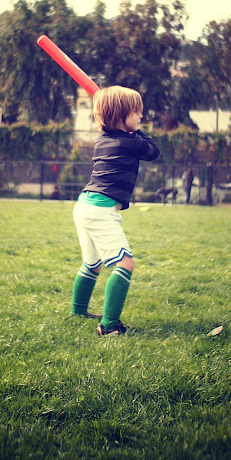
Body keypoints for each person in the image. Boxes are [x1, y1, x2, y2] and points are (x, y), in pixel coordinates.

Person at [71, 85, 160, 336]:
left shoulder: (103, 140)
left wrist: (130, 127)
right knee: (126, 264)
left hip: (84, 206)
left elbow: (140, 143)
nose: (141, 116)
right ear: (122, 116)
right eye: (136, 112)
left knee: (92, 264)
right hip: (100, 211)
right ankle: (110, 326)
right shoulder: (131, 142)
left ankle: (78, 311)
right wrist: (137, 132)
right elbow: (153, 151)